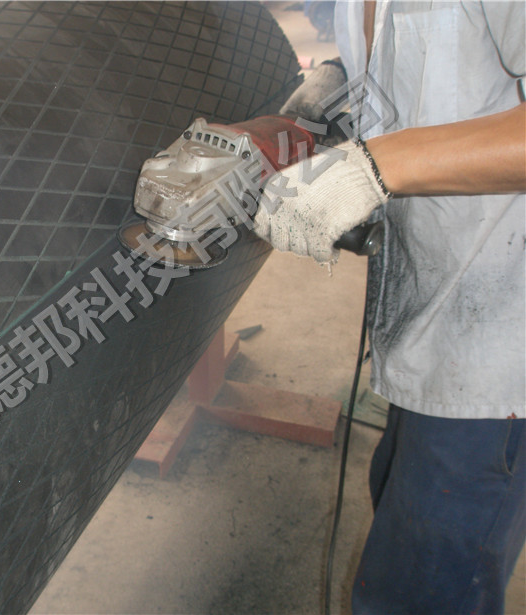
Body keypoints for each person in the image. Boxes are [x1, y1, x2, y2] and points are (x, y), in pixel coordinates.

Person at [253, 2, 525, 613]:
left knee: (422, 588)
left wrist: (371, 169)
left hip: (501, 349)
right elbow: (416, 70)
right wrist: (323, 94)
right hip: (430, 320)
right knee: (402, 516)